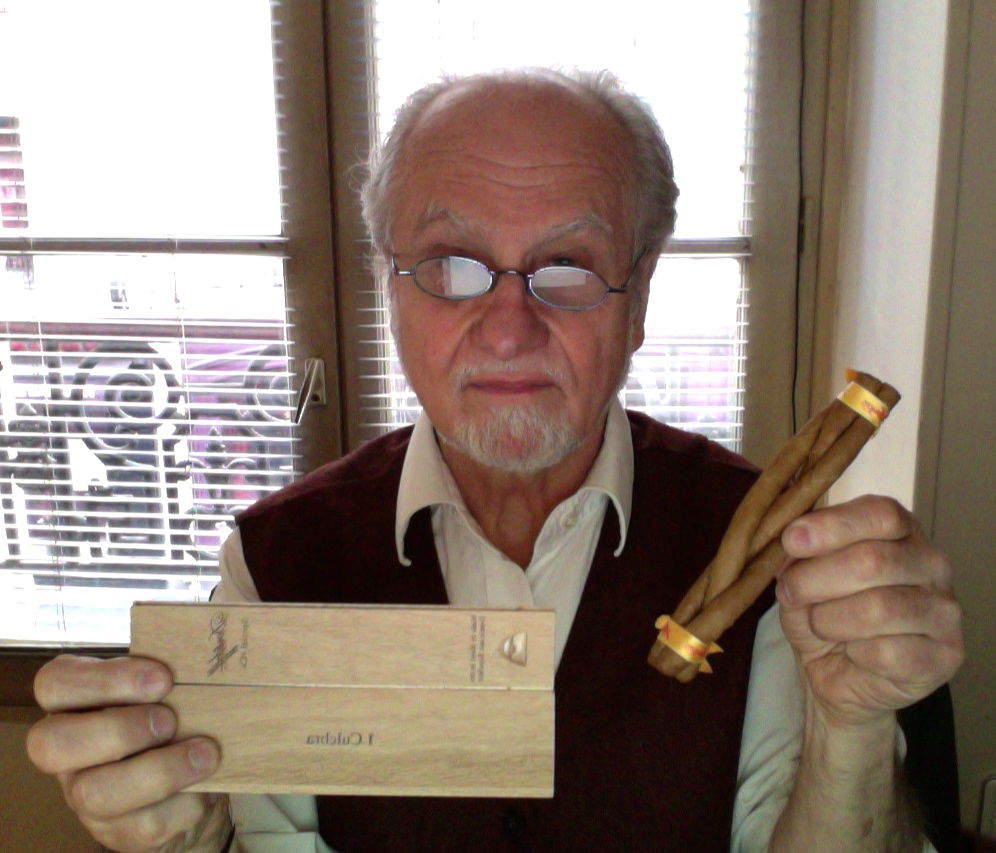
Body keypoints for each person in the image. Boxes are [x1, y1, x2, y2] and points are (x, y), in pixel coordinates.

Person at [26, 68, 963, 852]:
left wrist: (850, 731)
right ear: (390, 292)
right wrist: (195, 843)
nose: (510, 329)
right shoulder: (276, 561)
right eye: (450, 264)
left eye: (569, 266)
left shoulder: (768, 556)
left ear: (639, 299)